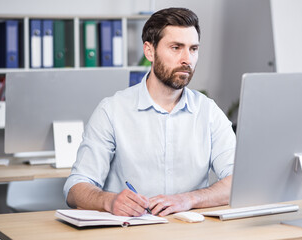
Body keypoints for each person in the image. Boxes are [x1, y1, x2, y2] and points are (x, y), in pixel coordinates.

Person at [64, 7, 236, 217]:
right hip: (129, 231)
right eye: (176, 47)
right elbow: (75, 188)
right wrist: (109, 201)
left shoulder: (209, 112)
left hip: (188, 231)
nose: (187, 59)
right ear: (149, 51)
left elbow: (237, 180)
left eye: (193, 49)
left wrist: (188, 199)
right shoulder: (112, 110)